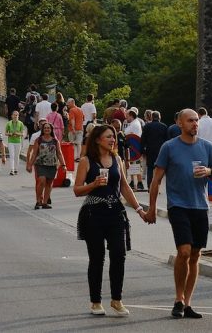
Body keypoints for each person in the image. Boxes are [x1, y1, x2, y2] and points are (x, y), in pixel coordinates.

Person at [146, 109, 212, 320]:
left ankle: (188, 303)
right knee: (184, 251)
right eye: (190, 121)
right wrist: (151, 208)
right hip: (178, 206)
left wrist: (209, 172)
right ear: (180, 123)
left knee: (196, 255)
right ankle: (178, 299)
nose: (195, 124)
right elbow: (156, 180)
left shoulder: (206, 147)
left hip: (200, 206)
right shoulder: (169, 147)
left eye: (196, 120)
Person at [74, 124, 148, 317]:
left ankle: (116, 299)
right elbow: (77, 190)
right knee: (97, 259)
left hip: (115, 213)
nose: (112, 140)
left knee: (119, 254)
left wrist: (139, 209)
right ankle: (96, 301)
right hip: (93, 214)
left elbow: (124, 186)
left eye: (113, 137)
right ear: (98, 139)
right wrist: (94, 184)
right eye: (108, 136)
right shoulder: (86, 161)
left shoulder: (117, 159)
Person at [26, 121, 66, 210]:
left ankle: (45, 202)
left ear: (51, 130)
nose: (47, 129)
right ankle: (38, 200)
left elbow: (59, 153)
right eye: (45, 128)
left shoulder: (55, 141)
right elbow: (34, 154)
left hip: (52, 165)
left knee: (49, 183)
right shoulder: (39, 140)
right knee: (41, 180)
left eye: (48, 128)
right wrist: (30, 164)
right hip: (40, 164)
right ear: (42, 130)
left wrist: (63, 164)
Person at [123, 109, 145, 191]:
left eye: (127, 116)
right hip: (133, 147)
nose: (126, 118)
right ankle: (133, 182)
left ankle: (139, 183)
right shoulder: (134, 123)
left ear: (131, 116)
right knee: (132, 164)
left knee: (136, 164)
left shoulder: (134, 124)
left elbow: (126, 133)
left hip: (134, 148)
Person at [4, 110, 26, 175]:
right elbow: (5, 133)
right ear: (12, 116)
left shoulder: (21, 123)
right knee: (12, 155)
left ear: (18, 116)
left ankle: (16, 169)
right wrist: (10, 134)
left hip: (18, 141)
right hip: (11, 141)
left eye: (17, 115)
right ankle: (12, 170)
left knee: (17, 156)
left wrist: (17, 134)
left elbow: (23, 133)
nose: (15, 116)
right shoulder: (8, 123)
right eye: (14, 115)